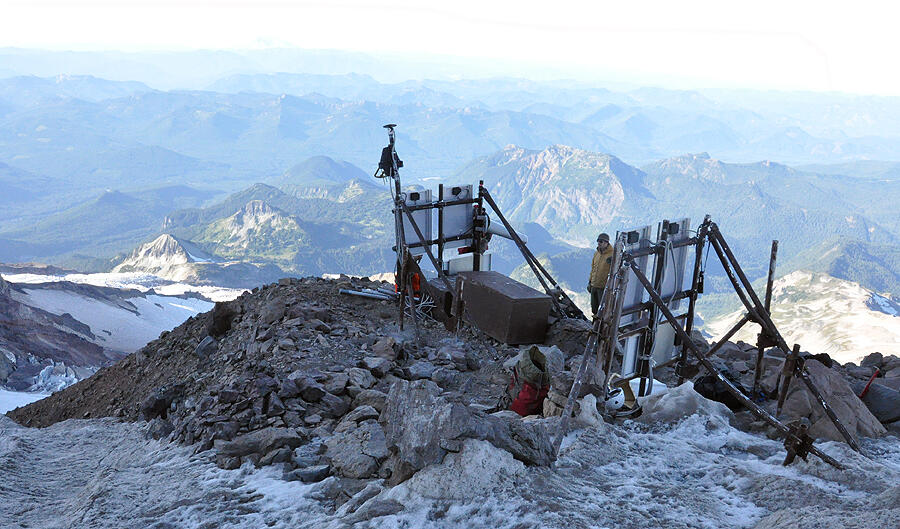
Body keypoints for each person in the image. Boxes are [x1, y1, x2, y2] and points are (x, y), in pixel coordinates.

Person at [587, 233, 613, 315]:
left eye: (601, 241)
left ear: (606, 243)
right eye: (598, 241)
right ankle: (594, 325)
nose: (599, 243)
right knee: (594, 309)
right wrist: (590, 282)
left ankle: (601, 326)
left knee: (602, 310)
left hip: (603, 288)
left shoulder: (612, 255)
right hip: (594, 286)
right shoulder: (596, 254)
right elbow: (593, 268)